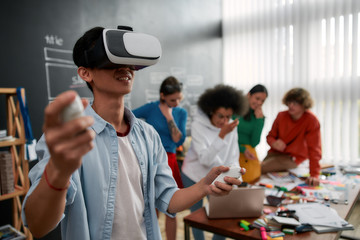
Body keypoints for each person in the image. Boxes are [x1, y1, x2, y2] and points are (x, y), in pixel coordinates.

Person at [21, 26, 243, 240]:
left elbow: (168, 197)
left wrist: (204, 186)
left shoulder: (148, 135)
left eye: (129, 60)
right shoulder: (70, 139)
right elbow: (38, 226)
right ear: (86, 72)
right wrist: (58, 173)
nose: (125, 66)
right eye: (112, 59)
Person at [181, 84, 247, 240]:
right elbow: (205, 159)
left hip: (219, 176)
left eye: (228, 116)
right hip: (193, 175)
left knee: (221, 216)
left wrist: (237, 176)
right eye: (220, 116)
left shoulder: (231, 127)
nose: (224, 121)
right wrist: (222, 135)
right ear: (211, 111)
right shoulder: (198, 125)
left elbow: (233, 155)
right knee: (196, 217)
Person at [132, 76, 187, 240]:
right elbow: (127, 117)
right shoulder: (151, 108)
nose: (176, 102)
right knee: (149, 205)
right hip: (147, 159)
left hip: (169, 160)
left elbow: (178, 139)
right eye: (172, 99)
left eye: (179, 98)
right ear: (162, 95)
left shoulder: (180, 112)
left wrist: (169, 116)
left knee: (171, 207)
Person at [261, 87, 322, 186]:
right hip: (274, 153)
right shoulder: (281, 116)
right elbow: (270, 137)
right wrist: (274, 143)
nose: (291, 105)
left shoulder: (311, 120)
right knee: (257, 171)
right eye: (289, 102)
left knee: (260, 169)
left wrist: (314, 174)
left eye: (295, 103)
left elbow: (314, 149)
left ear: (304, 104)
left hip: (293, 158)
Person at [234, 84, 268, 183]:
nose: (259, 103)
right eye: (257, 98)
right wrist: (242, 149)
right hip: (233, 151)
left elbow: (254, 143)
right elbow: (226, 137)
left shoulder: (259, 117)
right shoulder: (234, 111)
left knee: (251, 184)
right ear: (248, 95)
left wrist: (259, 121)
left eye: (262, 101)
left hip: (249, 156)